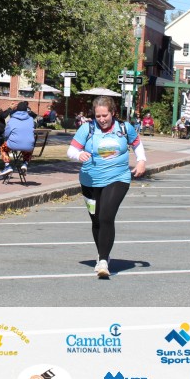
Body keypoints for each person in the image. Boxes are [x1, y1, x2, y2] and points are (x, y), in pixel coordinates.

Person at [67, 95, 146, 279]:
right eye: (98, 116)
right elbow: (71, 150)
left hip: (118, 178)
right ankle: (103, 253)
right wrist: (79, 155)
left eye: (105, 115)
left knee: (106, 216)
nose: (102, 119)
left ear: (113, 113)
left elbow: (137, 144)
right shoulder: (87, 129)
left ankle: (103, 261)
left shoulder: (124, 128)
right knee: (96, 221)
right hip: (90, 181)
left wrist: (141, 161)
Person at [0, 101, 36, 177]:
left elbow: (6, 133)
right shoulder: (31, 119)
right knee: (28, 147)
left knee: (3, 148)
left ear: (17, 109)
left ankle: (7, 166)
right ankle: (25, 163)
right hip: (28, 146)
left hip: (13, 144)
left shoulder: (12, 119)